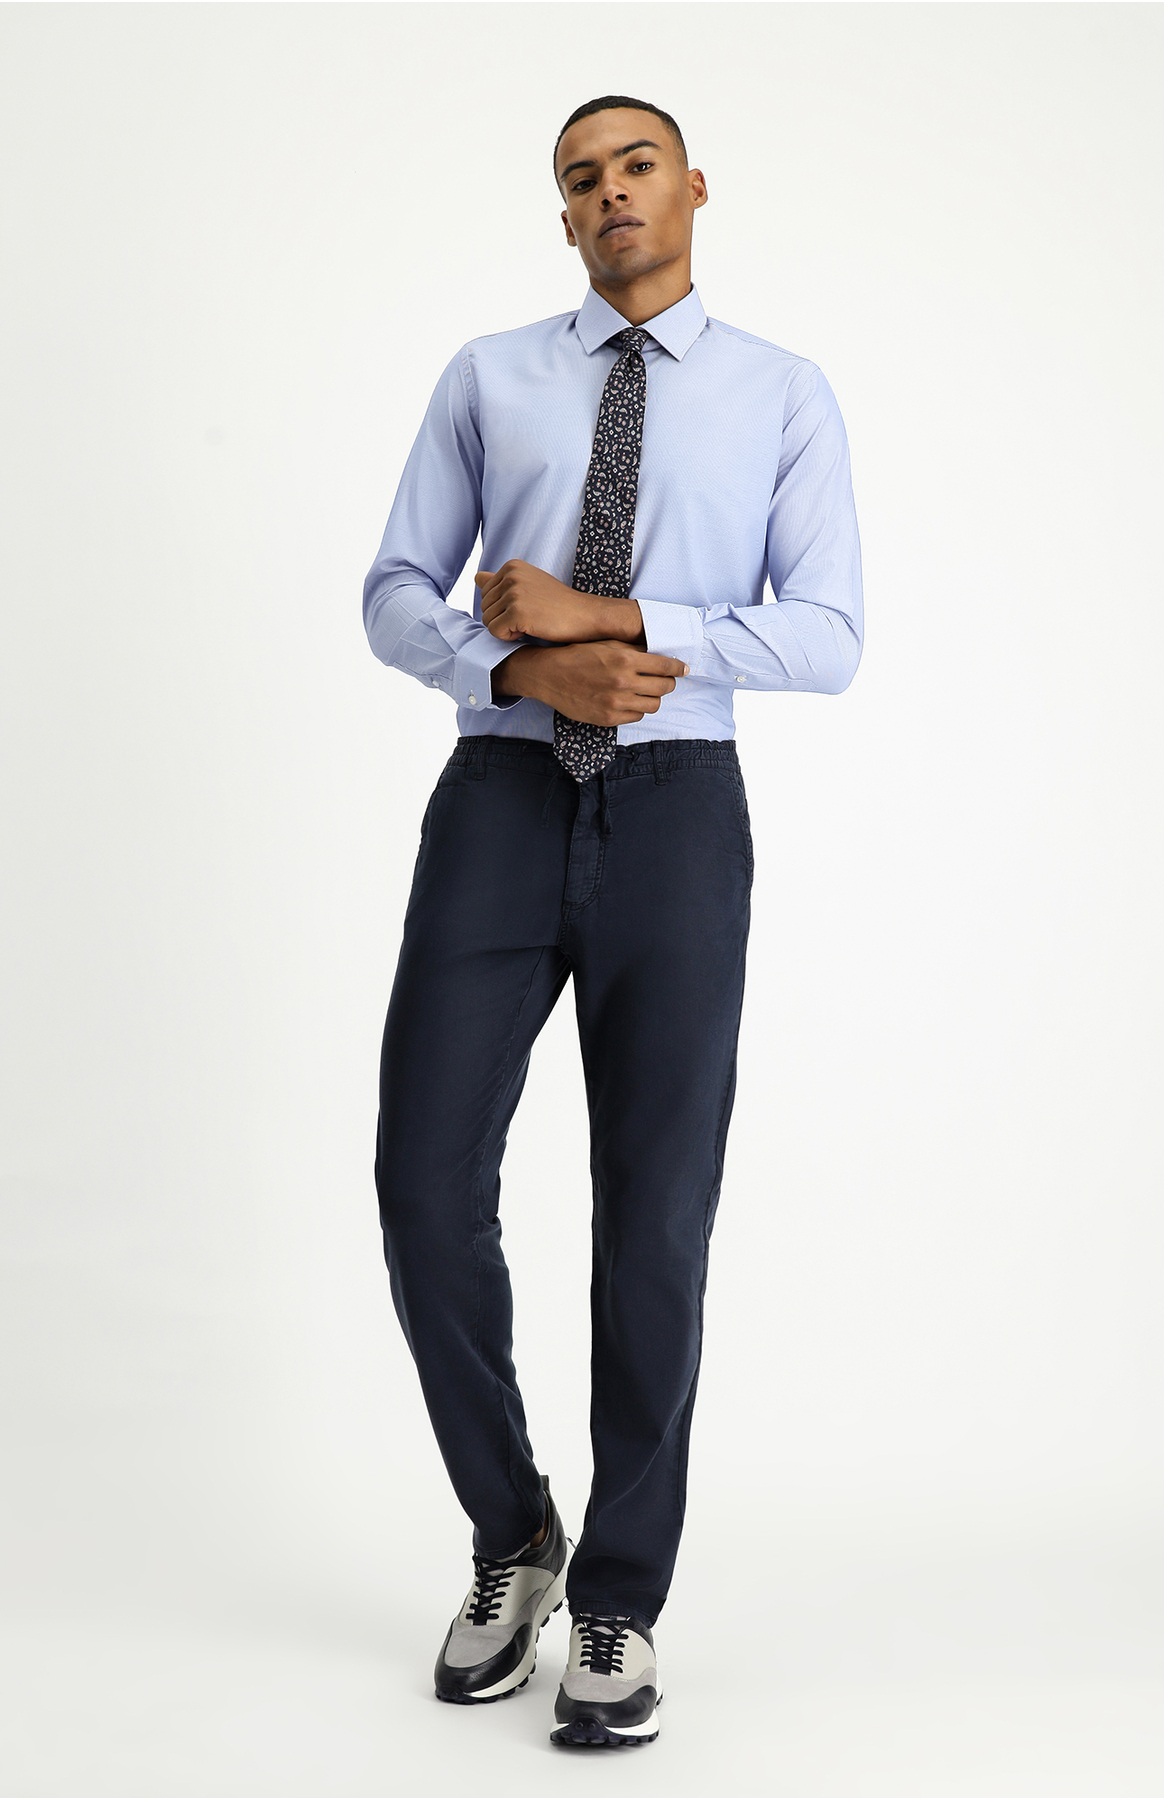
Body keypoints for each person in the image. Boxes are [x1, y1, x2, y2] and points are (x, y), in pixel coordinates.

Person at [363, 93, 863, 1750]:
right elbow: (392, 595)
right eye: (581, 179)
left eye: (636, 165)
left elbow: (829, 634)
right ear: (564, 216)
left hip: (677, 814)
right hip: (499, 801)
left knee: (655, 1217)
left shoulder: (783, 392)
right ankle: (514, 1531)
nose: (610, 193)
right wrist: (523, 665)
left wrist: (620, 616)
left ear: (694, 187)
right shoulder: (489, 376)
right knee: (423, 1184)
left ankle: (621, 1600)